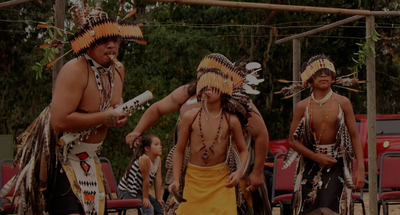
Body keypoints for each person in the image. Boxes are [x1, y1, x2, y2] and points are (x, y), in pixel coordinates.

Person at [0, 5, 146, 215]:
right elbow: (59, 121)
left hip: (92, 160)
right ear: (88, 42)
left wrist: (118, 113)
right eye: (103, 40)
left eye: (115, 39)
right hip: (64, 161)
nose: (111, 45)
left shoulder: (118, 69)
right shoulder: (74, 70)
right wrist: (105, 116)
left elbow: (113, 101)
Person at [126, 53, 271, 214]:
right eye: (200, 77)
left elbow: (261, 134)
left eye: (207, 77)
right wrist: (137, 131)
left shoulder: (237, 104)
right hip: (191, 175)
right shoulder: (186, 94)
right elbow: (157, 109)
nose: (203, 83)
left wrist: (257, 172)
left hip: (226, 175)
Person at [282, 54, 365, 215]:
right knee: (310, 210)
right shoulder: (302, 106)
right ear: (309, 79)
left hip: (336, 162)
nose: (324, 75)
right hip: (310, 163)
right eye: (318, 73)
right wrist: (316, 157)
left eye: (327, 72)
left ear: (334, 78)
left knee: (328, 208)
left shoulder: (342, 102)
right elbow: (293, 141)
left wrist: (360, 168)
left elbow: (355, 136)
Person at [167, 61, 249, 214]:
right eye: (205, 86)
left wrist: (239, 172)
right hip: (193, 179)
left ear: (223, 89)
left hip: (221, 182)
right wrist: (176, 179)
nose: (208, 90)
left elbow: (244, 151)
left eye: (212, 86)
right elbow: (179, 150)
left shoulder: (231, 120)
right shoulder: (190, 117)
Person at [117, 135, 164, 215]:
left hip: (139, 192)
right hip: (126, 191)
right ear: (147, 148)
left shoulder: (157, 160)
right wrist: (145, 198)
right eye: (156, 144)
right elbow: (145, 179)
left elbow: (158, 179)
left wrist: (158, 197)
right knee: (148, 207)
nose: (160, 146)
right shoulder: (144, 159)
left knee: (159, 206)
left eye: (160, 144)